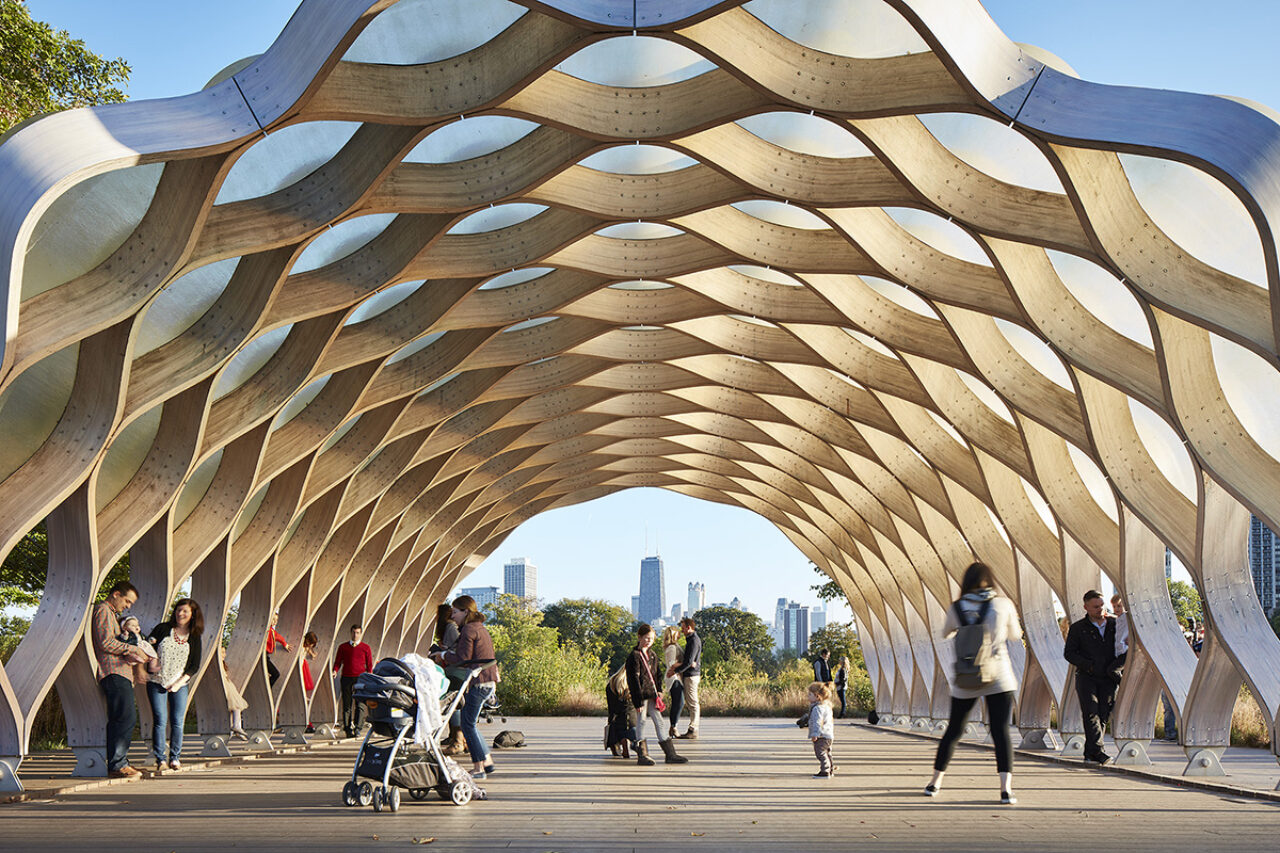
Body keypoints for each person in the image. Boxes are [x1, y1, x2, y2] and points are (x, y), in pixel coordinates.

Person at [924, 562, 1023, 805]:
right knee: (1000, 731)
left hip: (966, 675)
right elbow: (1015, 635)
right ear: (991, 579)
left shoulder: (957, 607)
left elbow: (945, 632)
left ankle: (935, 783)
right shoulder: (1003, 604)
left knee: (954, 730)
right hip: (999, 675)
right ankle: (1005, 790)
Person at [433, 596, 500, 778]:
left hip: (479, 682)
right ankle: (487, 760)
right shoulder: (480, 628)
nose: (452, 616)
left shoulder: (469, 629)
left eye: (455, 612)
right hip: (488, 681)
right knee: (470, 723)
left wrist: (444, 655)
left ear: (465, 612)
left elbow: (463, 658)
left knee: (467, 724)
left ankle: (479, 769)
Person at [90, 580, 150, 778]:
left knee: (124, 717)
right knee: (124, 717)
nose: (128, 606)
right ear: (115, 594)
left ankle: (121, 763)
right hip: (112, 672)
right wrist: (134, 649)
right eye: (127, 601)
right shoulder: (104, 611)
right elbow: (105, 642)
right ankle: (117, 765)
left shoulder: (113, 616)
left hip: (121, 672)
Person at [1064, 589, 1126, 765]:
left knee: (1104, 713)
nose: (1100, 609)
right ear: (1086, 607)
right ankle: (1098, 751)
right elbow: (1069, 653)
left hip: (1108, 677)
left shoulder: (1115, 624)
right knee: (1091, 712)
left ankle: (1090, 752)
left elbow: (1126, 642)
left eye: (1101, 605)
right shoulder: (1078, 628)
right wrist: (1088, 665)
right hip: (1087, 677)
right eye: (1095, 607)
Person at [146, 598, 204, 772]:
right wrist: (149, 665)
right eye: (178, 610)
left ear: (193, 614)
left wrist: (179, 683)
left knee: (178, 721)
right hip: (157, 681)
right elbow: (147, 648)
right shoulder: (163, 629)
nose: (180, 614)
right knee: (160, 720)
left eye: (185, 611)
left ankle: (175, 758)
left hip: (180, 683)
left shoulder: (194, 637)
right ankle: (160, 759)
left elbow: (194, 665)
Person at [629, 623, 687, 765]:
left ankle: (670, 754)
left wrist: (659, 690)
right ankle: (642, 755)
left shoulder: (652, 655)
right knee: (641, 721)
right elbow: (633, 680)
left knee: (659, 721)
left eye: (652, 638)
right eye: (647, 638)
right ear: (639, 637)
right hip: (641, 695)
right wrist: (637, 701)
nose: (649, 641)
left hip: (652, 694)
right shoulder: (634, 656)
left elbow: (658, 674)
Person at [431, 604, 465, 754]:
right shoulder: (450, 627)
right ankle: (460, 739)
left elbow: (458, 650)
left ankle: (457, 740)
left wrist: (443, 651)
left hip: (456, 671)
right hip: (454, 669)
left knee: (453, 702)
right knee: (454, 702)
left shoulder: (450, 627)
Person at [332, 624, 374, 738]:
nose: (355, 635)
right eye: (354, 632)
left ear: (361, 634)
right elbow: (337, 662)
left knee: (360, 704)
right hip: (346, 677)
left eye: (357, 633)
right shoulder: (343, 647)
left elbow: (369, 664)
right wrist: (335, 670)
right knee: (347, 704)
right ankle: (347, 728)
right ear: (351, 633)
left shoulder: (366, 648)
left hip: (360, 678)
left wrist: (369, 676)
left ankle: (358, 727)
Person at [668, 617, 701, 739]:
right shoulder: (691, 640)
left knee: (692, 703)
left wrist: (675, 671)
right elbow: (689, 662)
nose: (682, 631)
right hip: (690, 674)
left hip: (691, 675)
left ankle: (693, 729)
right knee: (691, 702)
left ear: (689, 627)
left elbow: (688, 662)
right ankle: (692, 728)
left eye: (683, 628)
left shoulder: (693, 641)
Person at [604, 664, 634, 759]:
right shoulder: (632, 683)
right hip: (631, 717)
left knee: (614, 727)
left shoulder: (611, 683)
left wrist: (610, 719)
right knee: (632, 728)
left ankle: (616, 743)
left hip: (616, 715)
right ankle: (628, 740)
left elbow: (611, 706)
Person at [807, 681, 836, 778]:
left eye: (810, 694)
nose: (808, 696)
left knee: (820, 753)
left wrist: (815, 734)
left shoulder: (817, 709)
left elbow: (817, 722)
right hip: (829, 735)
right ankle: (830, 769)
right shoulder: (827, 707)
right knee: (827, 753)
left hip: (821, 735)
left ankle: (825, 771)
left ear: (817, 696)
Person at [661, 625, 684, 739]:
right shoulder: (672, 647)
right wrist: (686, 664)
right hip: (673, 677)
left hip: (676, 676)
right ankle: (673, 727)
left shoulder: (673, 646)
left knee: (678, 702)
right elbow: (671, 663)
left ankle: (673, 726)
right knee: (679, 702)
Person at [222, 656, 250, 741]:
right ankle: (236, 727)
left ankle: (237, 727)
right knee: (235, 705)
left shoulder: (223, 664)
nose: (224, 655)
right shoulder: (218, 664)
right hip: (226, 688)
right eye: (222, 652)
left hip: (229, 687)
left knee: (236, 706)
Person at [264, 612, 291, 686]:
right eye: (273, 620)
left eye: (276, 620)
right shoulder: (268, 630)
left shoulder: (272, 631)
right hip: (263, 655)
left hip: (266, 656)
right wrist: (285, 644)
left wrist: (285, 644)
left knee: (273, 674)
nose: (275, 622)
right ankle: (267, 688)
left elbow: (279, 637)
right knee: (275, 674)